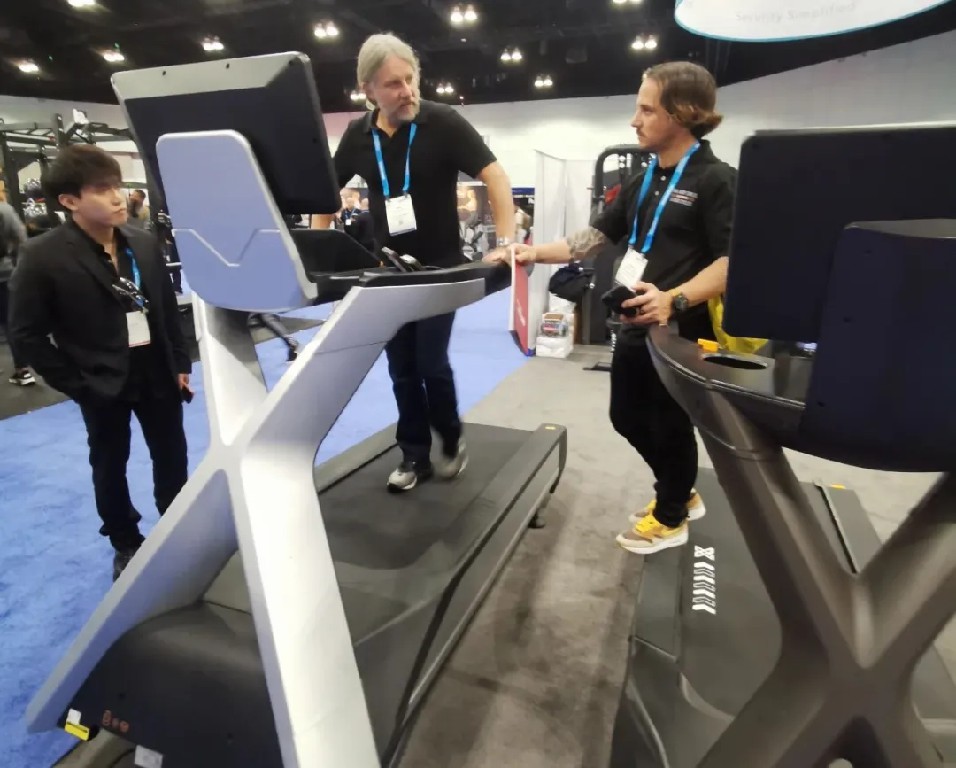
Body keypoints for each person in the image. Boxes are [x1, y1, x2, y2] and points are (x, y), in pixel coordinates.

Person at [487, 61, 736, 555]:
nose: (634, 120)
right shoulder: (644, 180)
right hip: (635, 322)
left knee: (669, 422)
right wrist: (532, 252)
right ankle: (680, 491)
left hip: (682, 328)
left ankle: (672, 513)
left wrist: (673, 299)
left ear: (683, 113)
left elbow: (733, 261)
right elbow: (594, 238)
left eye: (647, 110)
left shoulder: (718, 181)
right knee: (626, 417)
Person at [313, 33, 517, 492]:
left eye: (410, 79)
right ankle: (414, 455)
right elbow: (325, 195)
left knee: (429, 362)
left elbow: (496, 175)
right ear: (368, 89)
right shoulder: (358, 136)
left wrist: (505, 242)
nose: (407, 91)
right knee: (401, 368)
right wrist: (317, 248)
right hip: (389, 272)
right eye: (393, 84)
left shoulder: (442, 122)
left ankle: (450, 436)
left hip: (440, 270)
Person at [9, 145, 192, 580]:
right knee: (110, 464)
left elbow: (166, 309)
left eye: (117, 185)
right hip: (99, 380)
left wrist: (180, 362)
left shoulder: (142, 242)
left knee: (172, 455)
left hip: (157, 369)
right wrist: (77, 384)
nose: (116, 196)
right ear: (69, 201)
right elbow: (26, 334)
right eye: (102, 189)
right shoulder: (43, 255)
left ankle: (178, 525)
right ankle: (125, 540)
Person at [0, 179, 34, 385]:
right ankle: (22, 370)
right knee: (10, 322)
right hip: (4, 272)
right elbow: (22, 238)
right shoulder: (5, 209)